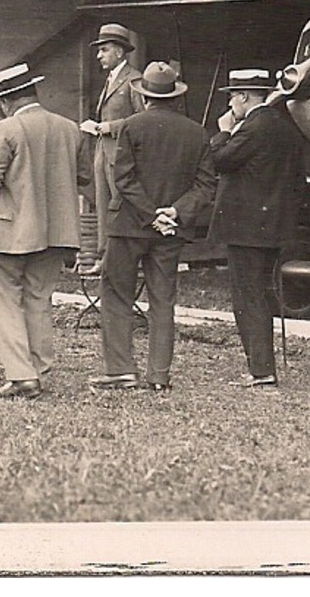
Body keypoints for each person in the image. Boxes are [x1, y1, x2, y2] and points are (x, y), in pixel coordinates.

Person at [0, 62, 91, 399]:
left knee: (4, 300)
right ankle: (37, 368)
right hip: (57, 232)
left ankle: (22, 375)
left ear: (6, 101)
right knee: (39, 298)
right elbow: (83, 177)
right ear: (33, 92)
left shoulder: (5, 129)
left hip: (8, 233)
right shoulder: (70, 128)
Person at [90, 61, 214, 393]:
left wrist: (150, 214)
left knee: (116, 295)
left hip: (130, 225)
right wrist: (172, 212)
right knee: (163, 301)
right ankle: (159, 375)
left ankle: (120, 370)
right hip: (170, 230)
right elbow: (205, 187)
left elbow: (123, 179)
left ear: (144, 96)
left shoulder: (131, 126)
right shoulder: (197, 132)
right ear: (175, 96)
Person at [203, 68, 310, 390]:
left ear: (244, 97)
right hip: (272, 227)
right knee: (261, 294)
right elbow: (297, 182)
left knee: (248, 297)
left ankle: (261, 369)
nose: (231, 104)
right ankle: (262, 366)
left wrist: (224, 131)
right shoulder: (285, 127)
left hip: (246, 229)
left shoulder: (250, 127)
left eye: (232, 96)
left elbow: (218, 160)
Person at [77, 24, 142, 276]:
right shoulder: (111, 79)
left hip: (120, 156)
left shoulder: (133, 80)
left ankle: (122, 259)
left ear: (119, 51)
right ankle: (105, 258)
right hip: (103, 153)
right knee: (104, 206)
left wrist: (106, 126)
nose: (98, 56)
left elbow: (143, 119)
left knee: (120, 206)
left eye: (104, 50)